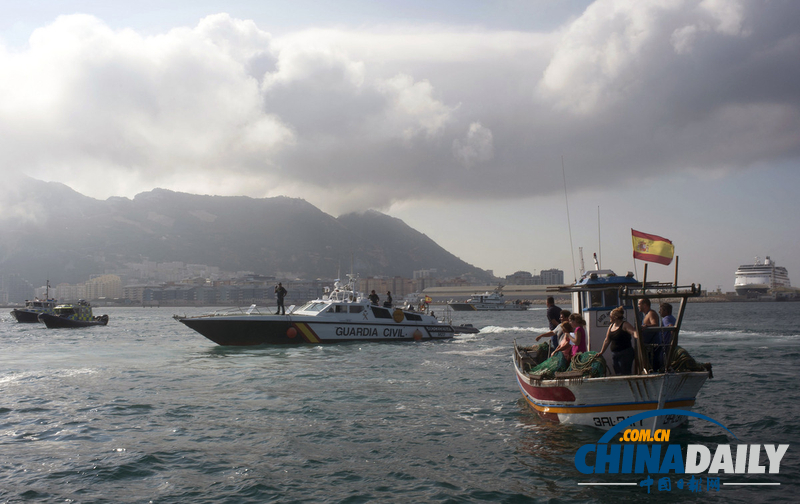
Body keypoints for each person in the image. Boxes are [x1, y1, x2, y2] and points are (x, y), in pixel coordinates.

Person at [598, 306, 639, 375]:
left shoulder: (624, 324)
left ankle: (627, 385)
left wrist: (636, 336)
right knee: (618, 373)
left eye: (610, 316)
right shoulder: (611, 326)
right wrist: (601, 352)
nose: (609, 317)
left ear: (615, 317)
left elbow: (633, 331)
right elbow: (607, 340)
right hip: (615, 354)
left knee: (625, 373)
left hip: (625, 353)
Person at [637, 297, 661, 369]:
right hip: (648, 345)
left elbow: (655, 325)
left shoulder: (651, 313)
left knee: (654, 365)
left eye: (639, 304)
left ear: (644, 305)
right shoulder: (645, 315)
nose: (638, 306)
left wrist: (646, 326)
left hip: (654, 345)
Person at [655, 303, 676, 371]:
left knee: (662, 359)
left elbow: (670, 326)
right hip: (670, 343)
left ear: (665, 311)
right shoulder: (672, 318)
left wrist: (672, 334)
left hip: (666, 344)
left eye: (660, 310)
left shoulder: (666, 319)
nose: (659, 312)